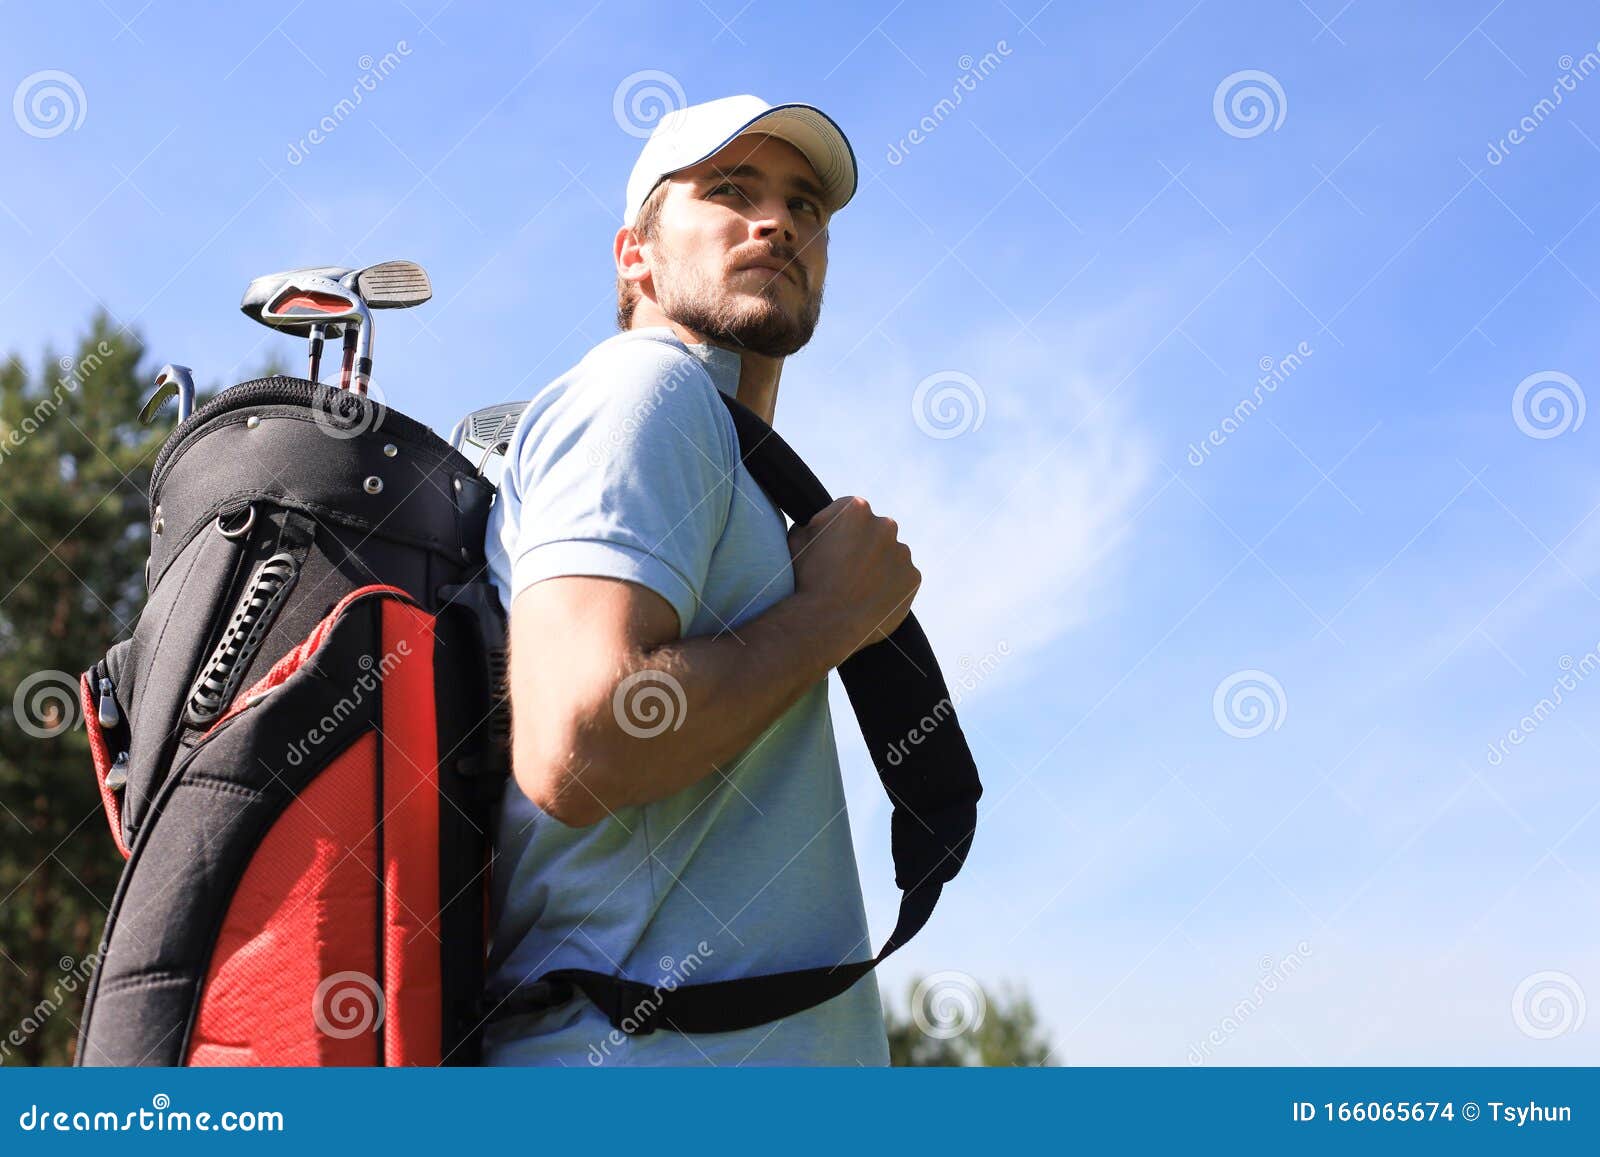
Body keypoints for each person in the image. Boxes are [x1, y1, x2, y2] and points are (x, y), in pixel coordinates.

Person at [481, 94, 920, 1066]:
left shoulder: (729, 454)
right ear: (634, 255)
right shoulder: (646, 385)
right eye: (730, 190)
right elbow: (579, 740)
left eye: (805, 206)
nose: (779, 221)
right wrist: (828, 617)